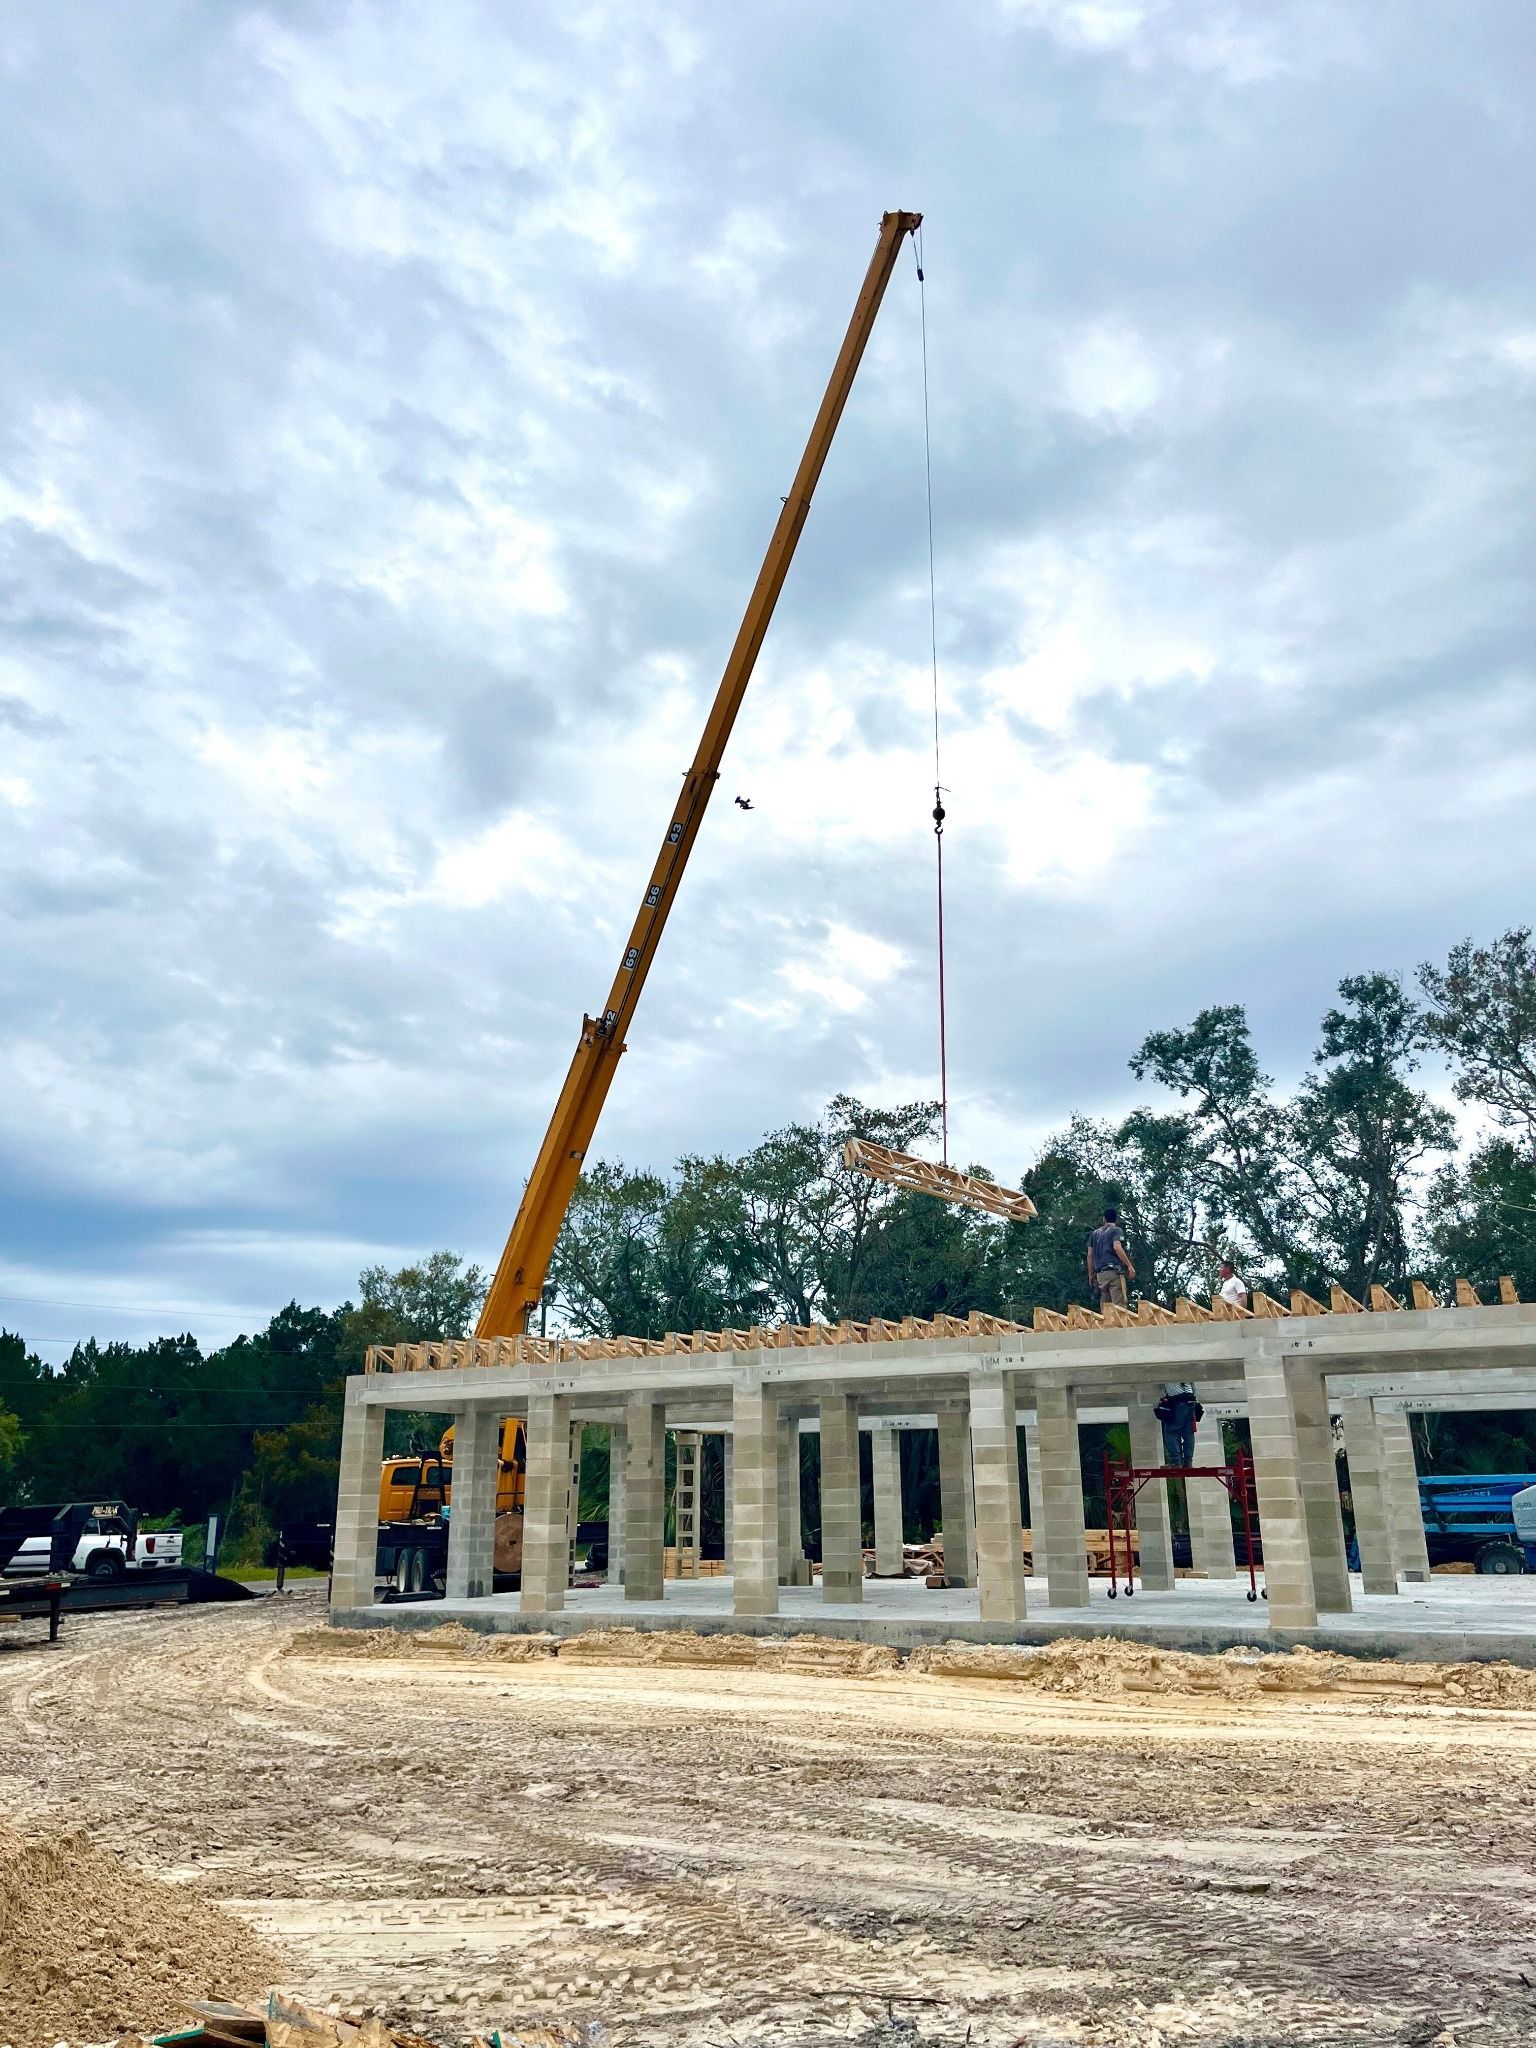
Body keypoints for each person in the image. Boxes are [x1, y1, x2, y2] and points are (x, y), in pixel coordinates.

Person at [1087, 1206, 1135, 1309]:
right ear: (1115, 1219)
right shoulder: (1116, 1230)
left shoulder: (1094, 1234)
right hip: (1113, 1273)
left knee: (1106, 1308)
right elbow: (1117, 1247)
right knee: (1119, 1307)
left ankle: (1107, 1324)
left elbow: (1090, 1255)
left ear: (1104, 1219)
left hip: (1100, 1276)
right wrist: (1129, 1265)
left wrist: (1090, 1275)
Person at [1154, 1381, 1202, 1467]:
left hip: (1178, 1401)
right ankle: (1188, 1462)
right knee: (1188, 1433)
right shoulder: (1184, 1369)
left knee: (1171, 1433)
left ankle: (1176, 1462)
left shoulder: (1167, 1370)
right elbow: (1193, 1387)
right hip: (1191, 1401)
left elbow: (1161, 1389)